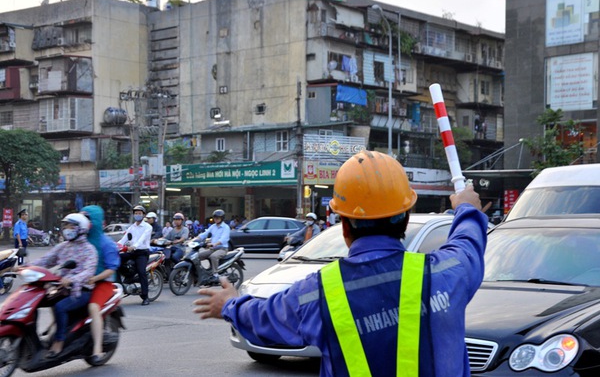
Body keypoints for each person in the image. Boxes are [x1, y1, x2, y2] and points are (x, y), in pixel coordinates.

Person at [193, 150, 488, 376]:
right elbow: (468, 241)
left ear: (344, 226)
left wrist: (229, 305)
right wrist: (466, 208)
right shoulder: (446, 273)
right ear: (405, 218)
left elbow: (265, 316)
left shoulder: (320, 292)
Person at [32, 213, 98, 358]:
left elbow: (88, 271)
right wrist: (25, 267)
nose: (67, 229)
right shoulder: (63, 246)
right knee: (34, 302)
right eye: (66, 226)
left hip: (81, 291)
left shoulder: (89, 250)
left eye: (71, 226)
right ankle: (33, 341)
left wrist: (73, 279)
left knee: (60, 307)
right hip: (61, 289)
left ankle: (59, 342)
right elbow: (46, 260)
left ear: (80, 229)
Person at [81, 205, 120, 363]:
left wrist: (95, 279)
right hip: (82, 281)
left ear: (95, 221)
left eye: (88, 218)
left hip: (103, 283)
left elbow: (111, 269)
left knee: (93, 307)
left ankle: (97, 347)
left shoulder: (107, 243)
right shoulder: (80, 241)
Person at [117, 205, 152, 306]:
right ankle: (123, 284)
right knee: (116, 260)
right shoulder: (132, 227)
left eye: (139, 213)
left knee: (142, 272)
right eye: (136, 213)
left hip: (142, 253)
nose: (137, 215)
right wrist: (116, 246)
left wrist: (134, 246)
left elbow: (142, 239)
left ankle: (145, 297)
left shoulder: (148, 227)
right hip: (132, 252)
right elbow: (124, 239)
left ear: (143, 215)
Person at [195, 209, 231, 281]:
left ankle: (215, 274)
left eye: (217, 218)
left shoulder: (226, 227)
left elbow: (223, 239)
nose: (216, 219)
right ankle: (200, 273)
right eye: (215, 218)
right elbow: (204, 234)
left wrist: (214, 244)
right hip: (213, 248)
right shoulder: (213, 226)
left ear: (222, 218)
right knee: (198, 256)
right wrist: (194, 239)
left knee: (213, 256)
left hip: (222, 249)